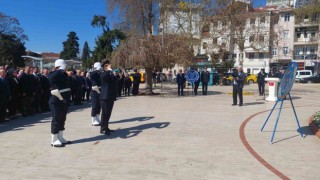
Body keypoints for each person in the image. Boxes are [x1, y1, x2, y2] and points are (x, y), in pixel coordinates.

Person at [48, 59, 72, 147]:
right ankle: (54, 140)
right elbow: (51, 78)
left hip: (64, 100)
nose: (66, 68)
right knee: (56, 119)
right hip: (55, 100)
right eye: (64, 66)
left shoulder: (63, 74)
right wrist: (58, 70)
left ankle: (60, 137)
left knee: (62, 119)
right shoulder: (53, 73)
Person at [100, 60, 117, 135]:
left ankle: (106, 127)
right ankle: (103, 128)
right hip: (105, 96)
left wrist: (112, 73)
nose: (111, 66)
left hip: (110, 96)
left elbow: (115, 80)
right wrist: (109, 71)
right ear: (105, 66)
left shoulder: (110, 73)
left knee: (108, 113)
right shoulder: (104, 73)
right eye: (109, 65)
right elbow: (104, 77)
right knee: (105, 113)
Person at [90, 62, 102, 126]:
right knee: (94, 106)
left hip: (99, 90)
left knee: (98, 106)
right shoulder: (94, 73)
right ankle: (93, 120)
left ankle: (97, 118)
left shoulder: (99, 73)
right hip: (95, 91)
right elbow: (94, 85)